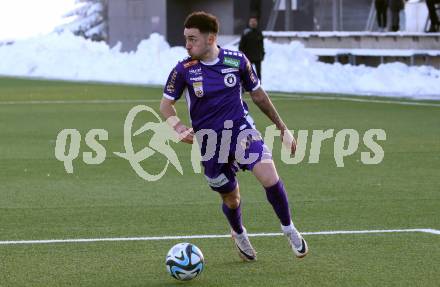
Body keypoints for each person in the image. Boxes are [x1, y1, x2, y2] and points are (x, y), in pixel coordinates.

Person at [160, 11, 308, 261]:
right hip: (210, 144)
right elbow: (165, 106)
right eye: (186, 38)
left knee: (270, 176)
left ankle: (289, 228)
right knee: (231, 197)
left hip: (241, 131)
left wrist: (283, 128)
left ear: (211, 38)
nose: (187, 45)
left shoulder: (237, 60)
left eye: (193, 39)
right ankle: (238, 232)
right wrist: (177, 127)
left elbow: (259, 96)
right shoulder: (183, 69)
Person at [239, 16, 265, 81]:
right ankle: (244, 87)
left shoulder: (259, 32)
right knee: (246, 73)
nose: (253, 23)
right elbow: (241, 46)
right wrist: (242, 56)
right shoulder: (246, 32)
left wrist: (262, 54)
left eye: (254, 21)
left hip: (257, 57)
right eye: (251, 21)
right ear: (249, 23)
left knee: (258, 73)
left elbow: (261, 45)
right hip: (248, 57)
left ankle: (258, 87)